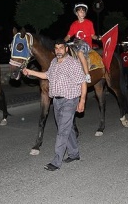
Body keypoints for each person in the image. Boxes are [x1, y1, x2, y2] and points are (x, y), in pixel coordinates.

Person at [22, 39, 87, 171]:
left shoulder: (73, 63)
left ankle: (56, 162)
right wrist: (31, 72)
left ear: (66, 49)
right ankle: (74, 154)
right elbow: (47, 75)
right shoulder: (53, 62)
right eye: (56, 48)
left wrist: (82, 101)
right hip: (56, 101)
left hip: (70, 100)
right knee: (66, 129)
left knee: (62, 130)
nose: (58, 50)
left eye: (61, 48)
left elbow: (83, 82)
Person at [64, 3, 98, 84]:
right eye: (80, 11)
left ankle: (87, 74)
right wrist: (61, 42)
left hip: (86, 44)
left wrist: (98, 37)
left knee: (79, 52)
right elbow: (68, 36)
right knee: (65, 52)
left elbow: (92, 35)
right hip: (76, 43)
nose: (82, 13)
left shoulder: (89, 23)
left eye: (84, 11)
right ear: (76, 13)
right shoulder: (74, 24)